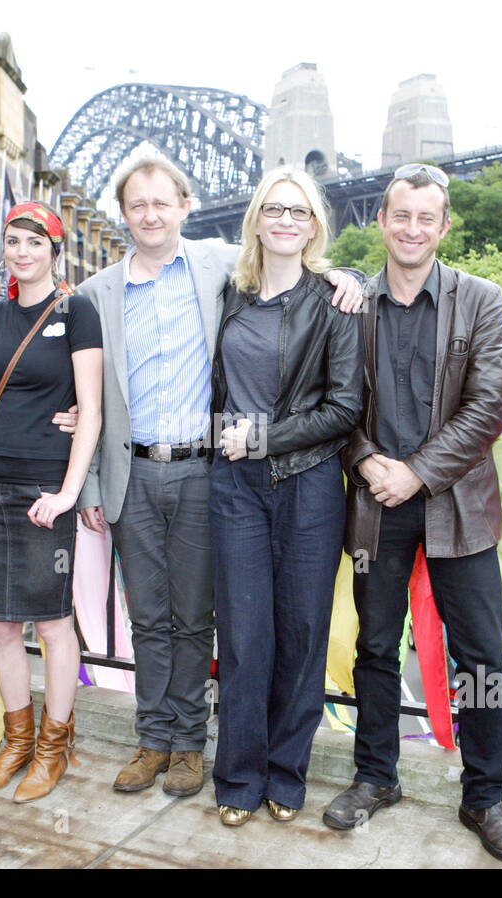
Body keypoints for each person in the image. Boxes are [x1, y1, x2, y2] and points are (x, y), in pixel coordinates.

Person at [76, 156, 363, 799]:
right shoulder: (98, 292)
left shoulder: (214, 269)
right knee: (147, 615)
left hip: (209, 468)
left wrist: (350, 277)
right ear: (123, 214)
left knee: (199, 618)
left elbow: (294, 250)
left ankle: (189, 746)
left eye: (162, 202)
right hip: (133, 471)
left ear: (185, 205)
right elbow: (82, 387)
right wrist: (87, 475)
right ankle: (154, 738)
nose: (150, 215)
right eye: (137, 205)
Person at [322, 164, 502, 862]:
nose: (412, 229)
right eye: (400, 215)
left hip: (456, 504)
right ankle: (377, 775)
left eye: (426, 218)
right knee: (376, 646)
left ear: (444, 227)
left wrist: (417, 472)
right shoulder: (351, 302)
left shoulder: (480, 299)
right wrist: (365, 459)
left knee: (481, 655)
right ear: (380, 221)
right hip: (377, 502)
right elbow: (334, 397)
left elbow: (488, 406)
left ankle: (485, 794)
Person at [209, 167, 362, 826]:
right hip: (235, 485)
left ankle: (284, 774)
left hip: (310, 483)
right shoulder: (229, 294)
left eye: (299, 212)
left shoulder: (336, 300)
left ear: (314, 224)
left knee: (301, 634)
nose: (285, 220)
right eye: (274, 209)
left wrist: (265, 436)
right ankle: (238, 778)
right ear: (256, 218)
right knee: (244, 634)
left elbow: (345, 406)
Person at [0, 203, 103, 803]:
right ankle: (15, 739)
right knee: (2, 623)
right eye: (13, 241)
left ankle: (53, 745)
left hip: (44, 487)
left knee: (53, 621)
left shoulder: (77, 312)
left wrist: (68, 493)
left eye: (34, 241)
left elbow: (89, 408)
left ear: (53, 251)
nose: (22, 251)